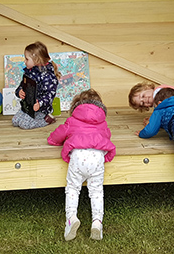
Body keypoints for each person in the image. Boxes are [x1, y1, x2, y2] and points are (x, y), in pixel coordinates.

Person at [47, 89, 115, 241]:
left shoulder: (72, 121)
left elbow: (57, 135)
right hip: (97, 156)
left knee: (72, 188)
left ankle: (71, 218)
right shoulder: (102, 123)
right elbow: (107, 136)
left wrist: (52, 141)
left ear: (76, 105)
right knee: (96, 191)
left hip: (78, 156)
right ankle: (97, 222)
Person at [13, 41, 60, 129]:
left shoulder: (48, 76)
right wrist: (19, 91)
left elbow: (50, 95)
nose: (24, 61)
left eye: (27, 59)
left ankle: (47, 119)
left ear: (36, 60)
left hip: (41, 109)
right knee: (15, 121)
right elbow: (22, 85)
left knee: (24, 124)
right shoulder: (29, 72)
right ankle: (31, 116)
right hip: (28, 106)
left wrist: (40, 103)